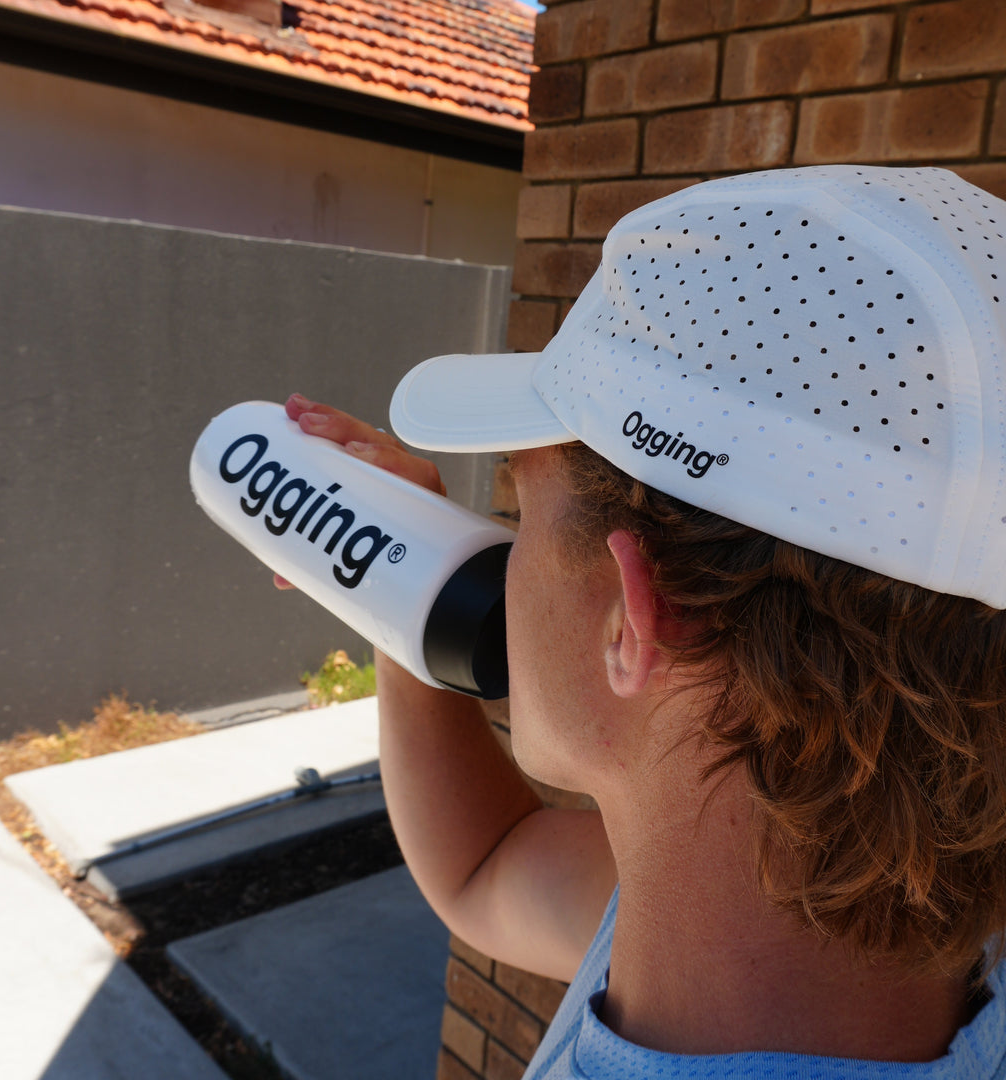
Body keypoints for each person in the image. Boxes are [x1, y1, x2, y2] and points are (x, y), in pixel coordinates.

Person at [278, 165, 1006, 1077]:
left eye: (519, 500)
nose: (507, 543)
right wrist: (398, 589)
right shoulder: (892, 932)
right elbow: (488, 867)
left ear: (634, 614)